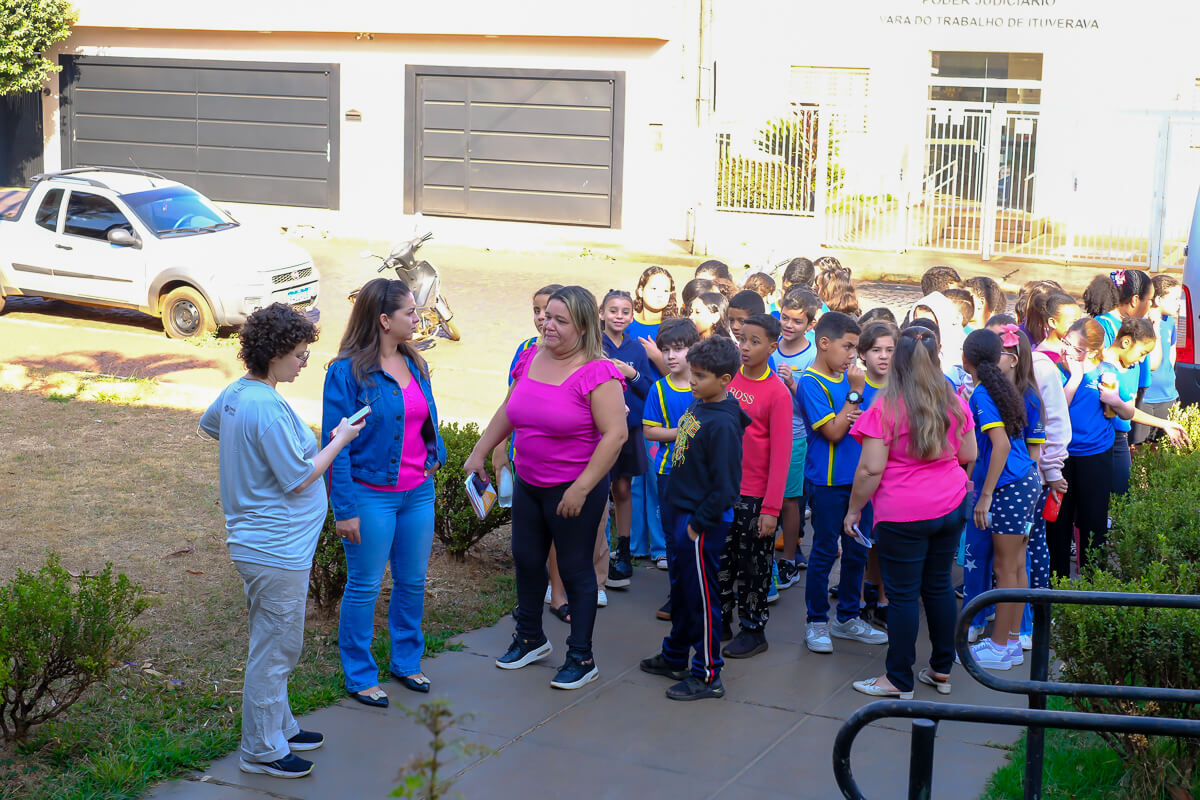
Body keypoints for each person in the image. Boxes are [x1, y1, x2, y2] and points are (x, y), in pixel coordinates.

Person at [200, 303, 364, 779]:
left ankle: (280, 726)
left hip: (262, 543)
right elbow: (298, 478)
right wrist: (340, 439)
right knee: (276, 650)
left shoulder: (239, 392)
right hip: (275, 548)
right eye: (299, 354)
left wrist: (249, 460)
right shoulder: (266, 408)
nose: (304, 362)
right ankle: (260, 750)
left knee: (273, 642)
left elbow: (211, 425)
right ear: (274, 354)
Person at [465, 286, 627, 690]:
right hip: (530, 482)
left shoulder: (598, 373)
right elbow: (510, 409)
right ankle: (530, 638)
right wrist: (480, 451)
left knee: (574, 569)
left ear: (583, 326)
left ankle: (581, 657)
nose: (547, 324)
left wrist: (582, 487)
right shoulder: (530, 358)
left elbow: (616, 435)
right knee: (526, 558)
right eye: (546, 316)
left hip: (573, 490)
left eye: (559, 320)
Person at [323, 279, 447, 705]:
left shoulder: (414, 360)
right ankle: (359, 675)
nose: (417, 318)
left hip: (418, 493)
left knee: (412, 581)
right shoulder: (346, 372)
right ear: (383, 320)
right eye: (410, 312)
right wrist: (344, 509)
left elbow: (425, 414)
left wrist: (436, 453)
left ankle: (407, 661)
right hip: (371, 495)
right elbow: (335, 445)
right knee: (365, 585)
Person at [844, 326, 975, 698]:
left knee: (902, 596)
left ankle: (898, 679)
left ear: (897, 360)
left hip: (903, 513)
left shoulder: (885, 407)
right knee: (939, 586)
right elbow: (969, 454)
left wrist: (854, 510)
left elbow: (870, 470)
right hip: (951, 505)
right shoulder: (954, 401)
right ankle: (941, 669)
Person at [639, 336, 750, 701]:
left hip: (700, 524)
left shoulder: (723, 425)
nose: (692, 381)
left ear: (724, 379)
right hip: (682, 512)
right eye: (693, 373)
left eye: (700, 376)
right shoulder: (700, 402)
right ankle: (675, 655)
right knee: (684, 593)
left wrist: (697, 524)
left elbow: (726, 488)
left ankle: (707, 674)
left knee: (702, 599)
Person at [799, 311, 888, 654]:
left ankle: (848, 617)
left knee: (858, 550)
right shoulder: (812, 382)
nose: (853, 355)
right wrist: (855, 393)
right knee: (824, 551)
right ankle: (816, 621)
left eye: (855, 348)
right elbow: (834, 432)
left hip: (860, 482)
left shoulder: (848, 378)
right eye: (847, 346)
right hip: (828, 483)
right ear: (824, 343)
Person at [961, 329, 1043, 671]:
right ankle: (1009, 643)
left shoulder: (982, 393)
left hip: (1010, 487)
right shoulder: (1000, 388)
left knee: (1004, 568)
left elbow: (1002, 445)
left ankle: (998, 647)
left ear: (966, 360)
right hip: (1026, 482)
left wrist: (985, 495)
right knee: (1016, 566)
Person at [720, 314, 792, 658]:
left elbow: (781, 456)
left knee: (754, 566)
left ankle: (753, 629)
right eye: (742, 340)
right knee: (721, 560)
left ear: (773, 347)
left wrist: (771, 509)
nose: (745, 347)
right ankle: (720, 620)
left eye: (754, 341)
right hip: (723, 490)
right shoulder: (728, 378)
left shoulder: (777, 393)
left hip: (754, 495)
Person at [1046, 319, 1120, 578]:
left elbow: (1122, 412)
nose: (1068, 350)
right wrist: (1075, 377)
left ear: (1094, 351)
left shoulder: (1106, 372)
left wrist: (1114, 401)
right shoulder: (1056, 371)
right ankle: (1056, 586)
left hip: (1096, 456)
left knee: (1093, 523)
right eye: (1066, 342)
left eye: (1077, 348)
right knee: (1057, 524)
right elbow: (1055, 412)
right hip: (1061, 457)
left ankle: (1093, 585)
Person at [643, 318, 703, 618]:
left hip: (703, 475)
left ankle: (701, 593)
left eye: (678, 349)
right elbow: (649, 430)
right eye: (665, 350)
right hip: (669, 472)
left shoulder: (706, 385)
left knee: (699, 535)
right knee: (673, 537)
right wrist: (680, 432)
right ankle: (677, 594)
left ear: (694, 349)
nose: (670, 356)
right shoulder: (659, 389)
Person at [626, 267, 680, 575]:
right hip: (631, 414)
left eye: (665, 289)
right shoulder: (627, 323)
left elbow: (681, 372)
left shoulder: (673, 328)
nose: (659, 295)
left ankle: (660, 547)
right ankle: (636, 544)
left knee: (655, 480)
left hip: (661, 414)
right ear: (640, 289)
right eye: (653, 288)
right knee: (634, 481)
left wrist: (657, 355)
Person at [600, 289, 653, 590]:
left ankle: (624, 551)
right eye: (613, 310)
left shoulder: (636, 348)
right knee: (598, 490)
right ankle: (599, 551)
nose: (619, 316)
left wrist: (631, 373)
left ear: (632, 316)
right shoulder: (595, 344)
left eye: (625, 311)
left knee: (623, 488)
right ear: (602, 313)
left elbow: (649, 389)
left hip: (630, 429)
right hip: (599, 430)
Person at [1101, 318, 1188, 494]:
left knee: (1122, 495)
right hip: (1097, 440)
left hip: (1120, 439)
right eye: (1142, 353)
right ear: (1126, 342)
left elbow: (1129, 410)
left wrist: (1164, 423)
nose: (1142, 360)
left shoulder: (1133, 368)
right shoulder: (1098, 365)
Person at [771, 289, 820, 585]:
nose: (789, 325)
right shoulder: (769, 346)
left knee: (790, 501)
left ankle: (789, 559)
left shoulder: (814, 356)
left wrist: (792, 383)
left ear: (810, 325)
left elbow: (814, 407)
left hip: (795, 436)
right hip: (764, 434)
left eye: (797, 321)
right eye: (785, 318)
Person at [856, 321, 897, 629]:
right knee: (859, 540)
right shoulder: (856, 384)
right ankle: (858, 598)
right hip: (859, 473)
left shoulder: (900, 388)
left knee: (883, 543)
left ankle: (883, 599)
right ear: (863, 354)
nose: (883, 356)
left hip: (890, 479)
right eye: (876, 350)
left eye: (890, 350)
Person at [1133, 275, 1182, 443]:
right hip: (1145, 397)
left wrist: (1170, 377)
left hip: (1167, 395)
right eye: (1175, 299)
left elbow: (1172, 351)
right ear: (1159, 299)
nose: (1179, 303)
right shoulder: (1142, 323)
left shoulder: (1170, 322)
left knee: (1160, 445)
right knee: (1137, 446)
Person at [1096, 269, 1153, 347]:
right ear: (1135, 300)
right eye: (1150, 299)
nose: (1151, 304)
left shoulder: (1135, 323)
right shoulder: (1103, 325)